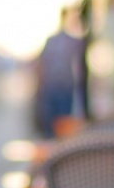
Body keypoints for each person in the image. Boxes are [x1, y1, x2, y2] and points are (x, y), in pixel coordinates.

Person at [34, 7, 84, 139]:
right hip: (53, 86)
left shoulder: (74, 41)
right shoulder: (54, 41)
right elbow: (42, 64)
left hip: (63, 87)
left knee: (63, 125)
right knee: (52, 125)